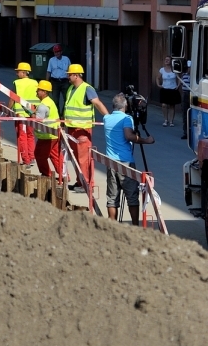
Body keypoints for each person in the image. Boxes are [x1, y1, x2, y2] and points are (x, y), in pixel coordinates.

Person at [104, 93, 155, 225]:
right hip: (125, 162)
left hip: (110, 162)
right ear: (125, 106)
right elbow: (129, 136)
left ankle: (112, 225)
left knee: (112, 196)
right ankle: (135, 225)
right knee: (132, 196)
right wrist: (145, 140)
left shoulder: (107, 118)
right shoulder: (127, 119)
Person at [63, 64, 108, 189]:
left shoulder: (87, 89)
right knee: (76, 158)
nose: (67, 76)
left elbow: (97, 103)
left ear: (76, 75)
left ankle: (87, 184)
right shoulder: (71, 89)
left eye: (69, 74)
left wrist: (109, 118)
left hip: (82, 130)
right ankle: (80, 181)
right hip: (72, 128)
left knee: (84, 158)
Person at [33, 80, 62, 178]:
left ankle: (47, 174)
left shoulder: (43, 105)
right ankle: (64, 175)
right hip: (54, 133)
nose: (36, 92)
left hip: (46, 135)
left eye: (39, 90)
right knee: (55, 156)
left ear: (44, 92)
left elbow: (38, 120)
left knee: (39, 155)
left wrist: (31, 115)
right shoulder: (50, 101)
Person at [12, 61, 38, 165]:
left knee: (22, 136)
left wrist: (7, 110)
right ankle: (32, 157)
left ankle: (26, 159)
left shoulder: (17, 83)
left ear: (24, 72)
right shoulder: (35, 83)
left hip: (21, 114)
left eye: (18, 72)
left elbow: (12, 98)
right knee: (30, 136)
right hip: (31, 113)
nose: (17, 74)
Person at [46, 44, 71, 115]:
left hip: (65, 81)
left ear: (61, 52)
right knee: (55, 100)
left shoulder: (66, 59)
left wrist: (70, 80)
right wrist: (47, 83)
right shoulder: (51, 60)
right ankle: (57, 115)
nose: (56, 53)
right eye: (55, 52)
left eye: (58, 52)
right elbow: (48, 72)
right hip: (55, 82)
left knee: (66, 99)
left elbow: (70, 70)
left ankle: (63, 114)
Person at [157, 56, 179, 126]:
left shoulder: (174, 70)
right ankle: (165, 120)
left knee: (172, 105)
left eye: (168, 60)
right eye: (165, 59)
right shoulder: (162, 70)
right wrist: (158, 84)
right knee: (164, 105)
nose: (166, 61)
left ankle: (171, 121)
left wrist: (178, 86)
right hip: (164, 89)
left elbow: (179, 79)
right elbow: (157, 78)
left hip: (173, 89)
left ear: (171, 61)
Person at [179, 60, 191, 140]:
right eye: (189, 68)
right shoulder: (184, 75)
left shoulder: (194, 77)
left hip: (191, 93)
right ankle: (185, 132)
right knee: (185, 113)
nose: (189, 69)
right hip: (185, 94)